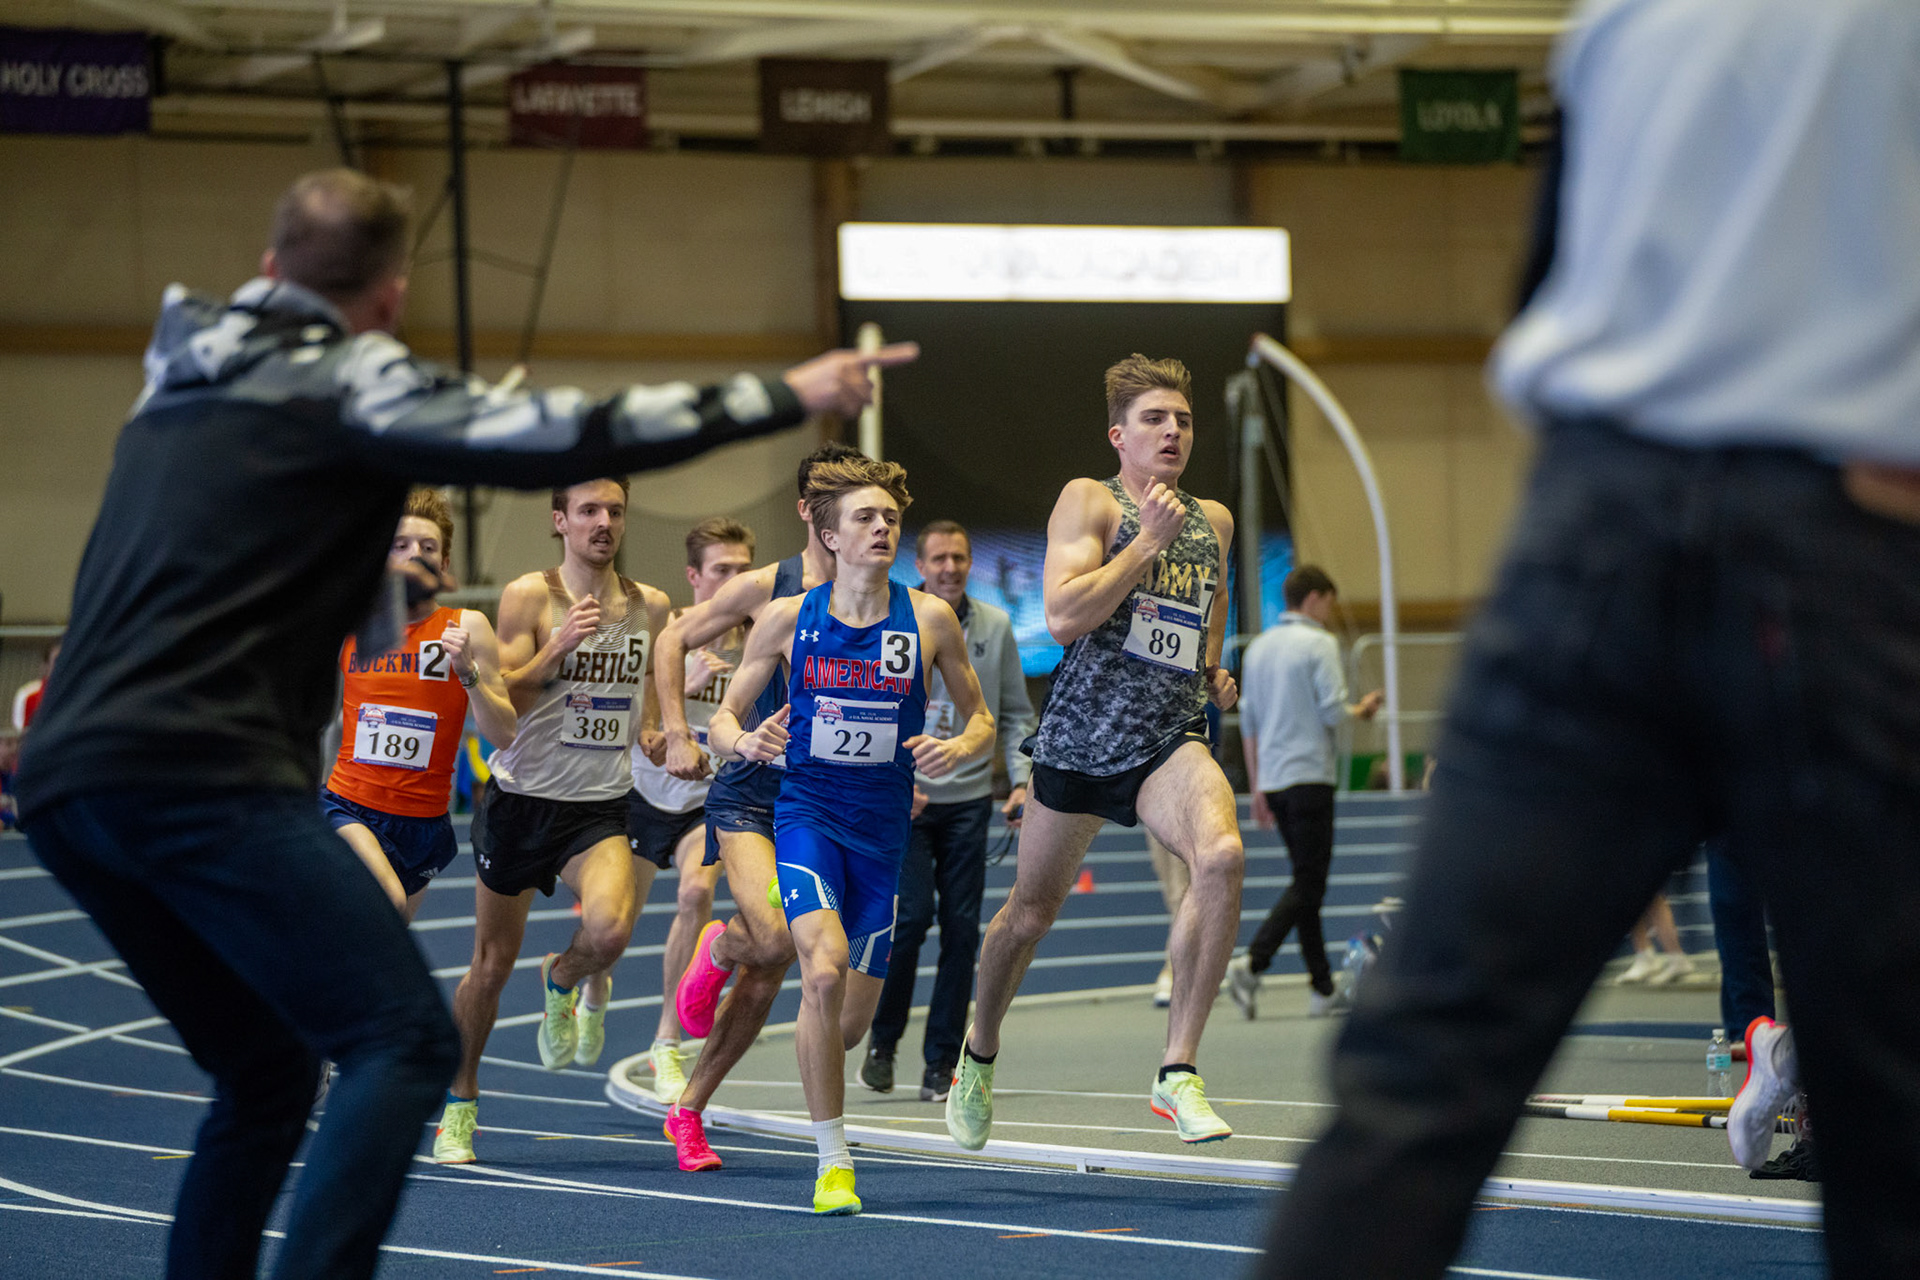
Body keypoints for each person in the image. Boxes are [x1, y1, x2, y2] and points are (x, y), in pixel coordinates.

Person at [12, 167, 910, 1280]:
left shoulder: (179, 371)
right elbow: (566, 427)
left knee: (266, 1070)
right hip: (196, 767)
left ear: (268, 267)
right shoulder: (350, 374)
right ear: (391, 297)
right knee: (402, 1041)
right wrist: (786, 391)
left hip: (65, 775)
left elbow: (232, 551)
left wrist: (365, 587)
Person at [1262, 2, 1920, 1274]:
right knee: (1893, 1109)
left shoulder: (1623, 18)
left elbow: (1540, 295)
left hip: (1595, 527)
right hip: (1846, 534)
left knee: (1416, 1078)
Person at [949, 353, 1243, 1152]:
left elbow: (1208, 605)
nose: (1173, 431)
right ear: (1120, 436)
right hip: (1081, 740)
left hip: (1168, 738)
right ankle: (979, 1051)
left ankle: (1178, 1070)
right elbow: (1062, 616)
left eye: (1183, 420)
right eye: (1155, 419)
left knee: (1220, 856)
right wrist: (1145, 544)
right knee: (1029, 915)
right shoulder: (1091, 500)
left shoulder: (1214, 520)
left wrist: (1211, 669)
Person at [709, 456, 993, 1214]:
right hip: (807, 816)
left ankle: (805, 1051)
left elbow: (982, 719)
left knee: (850, 1024)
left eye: (890, 518)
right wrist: (745, 742)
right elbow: (722, 719)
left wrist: (958, 749)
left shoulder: (929, 619)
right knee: (823, 971)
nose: (881, 528)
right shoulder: (786, 617)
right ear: (829, 535)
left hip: (883, 834)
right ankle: (833, 1163)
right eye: (864, 518)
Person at [434, 477, 671, 1163]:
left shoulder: (651, 605)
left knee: (612, 931)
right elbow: (502, 696)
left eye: (615, 511)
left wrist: (656, 730)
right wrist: (558, 647)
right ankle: (460, 1103)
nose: (604, 523)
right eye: (588, 511)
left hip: (598, 804)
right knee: (489, 966)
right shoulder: (529, 596)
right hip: (521, 801)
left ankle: (563, 976)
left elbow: (650, 686)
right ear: (560, 521)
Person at [652, 441, 867, 1173]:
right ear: (810, 510)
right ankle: (722, 948)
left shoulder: (884, 597)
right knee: (774, 940)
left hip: (826, 801)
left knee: (776, 965)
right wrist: (678, 730)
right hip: (750, 792)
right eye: (838, 497)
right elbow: (673, 637)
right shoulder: (764, 588)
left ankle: (689, 1108)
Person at [860, 519, 1035, 1102]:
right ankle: (882, 1044)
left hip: (968, 803)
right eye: (939, 558)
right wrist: (892, 776)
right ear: (920, 565)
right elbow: (872, 709)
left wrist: (1021, 783)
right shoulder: (895, 619)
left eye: (959, 557)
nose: (951, 568)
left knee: (963, 931)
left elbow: (1014, 713)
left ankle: (941, 1061)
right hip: (904, 801)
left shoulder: (997, 626)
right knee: (909, 921)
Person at [322, 487, 518, 919]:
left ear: (443, 565)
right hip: (350, 805)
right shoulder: (354, 624)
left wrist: (468, 672)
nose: (415, 554)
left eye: (428, 547)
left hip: (423, 823)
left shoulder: (467, 627)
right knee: (386, 906)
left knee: (383, 944)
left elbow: (505, 734)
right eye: (401, 545)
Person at [635, 517, 755, 1106]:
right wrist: (684, 685)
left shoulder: (761, 638)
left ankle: (666, 1041)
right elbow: (641, 732)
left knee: (693, 894)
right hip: (642, 796)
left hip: (706, 802)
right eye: (721, 570)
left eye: (743, 569)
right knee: (608, 931)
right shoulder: (671, 635)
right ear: (694, 576)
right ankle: (587, 985)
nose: (734, 580)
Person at [1227, 564, 1383, 1019]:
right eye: (1329, 603)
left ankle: (1322, 987)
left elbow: (1249, 723)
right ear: (1314, 598)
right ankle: (1252, 964)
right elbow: (1332, 712)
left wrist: (1257, 786)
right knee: (1310, 882)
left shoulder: (1258, 649)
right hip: (1310, 776)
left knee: (1306, 883)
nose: (1330, 613)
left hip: (1274, 779)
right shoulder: (1320, 643)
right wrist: (1361, 710)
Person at [11, 638, 58, 730]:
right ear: (46, 666)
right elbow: (21, 734)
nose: (63, 665)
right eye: (57, 660)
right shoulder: (29, 696)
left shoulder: (82, 694)